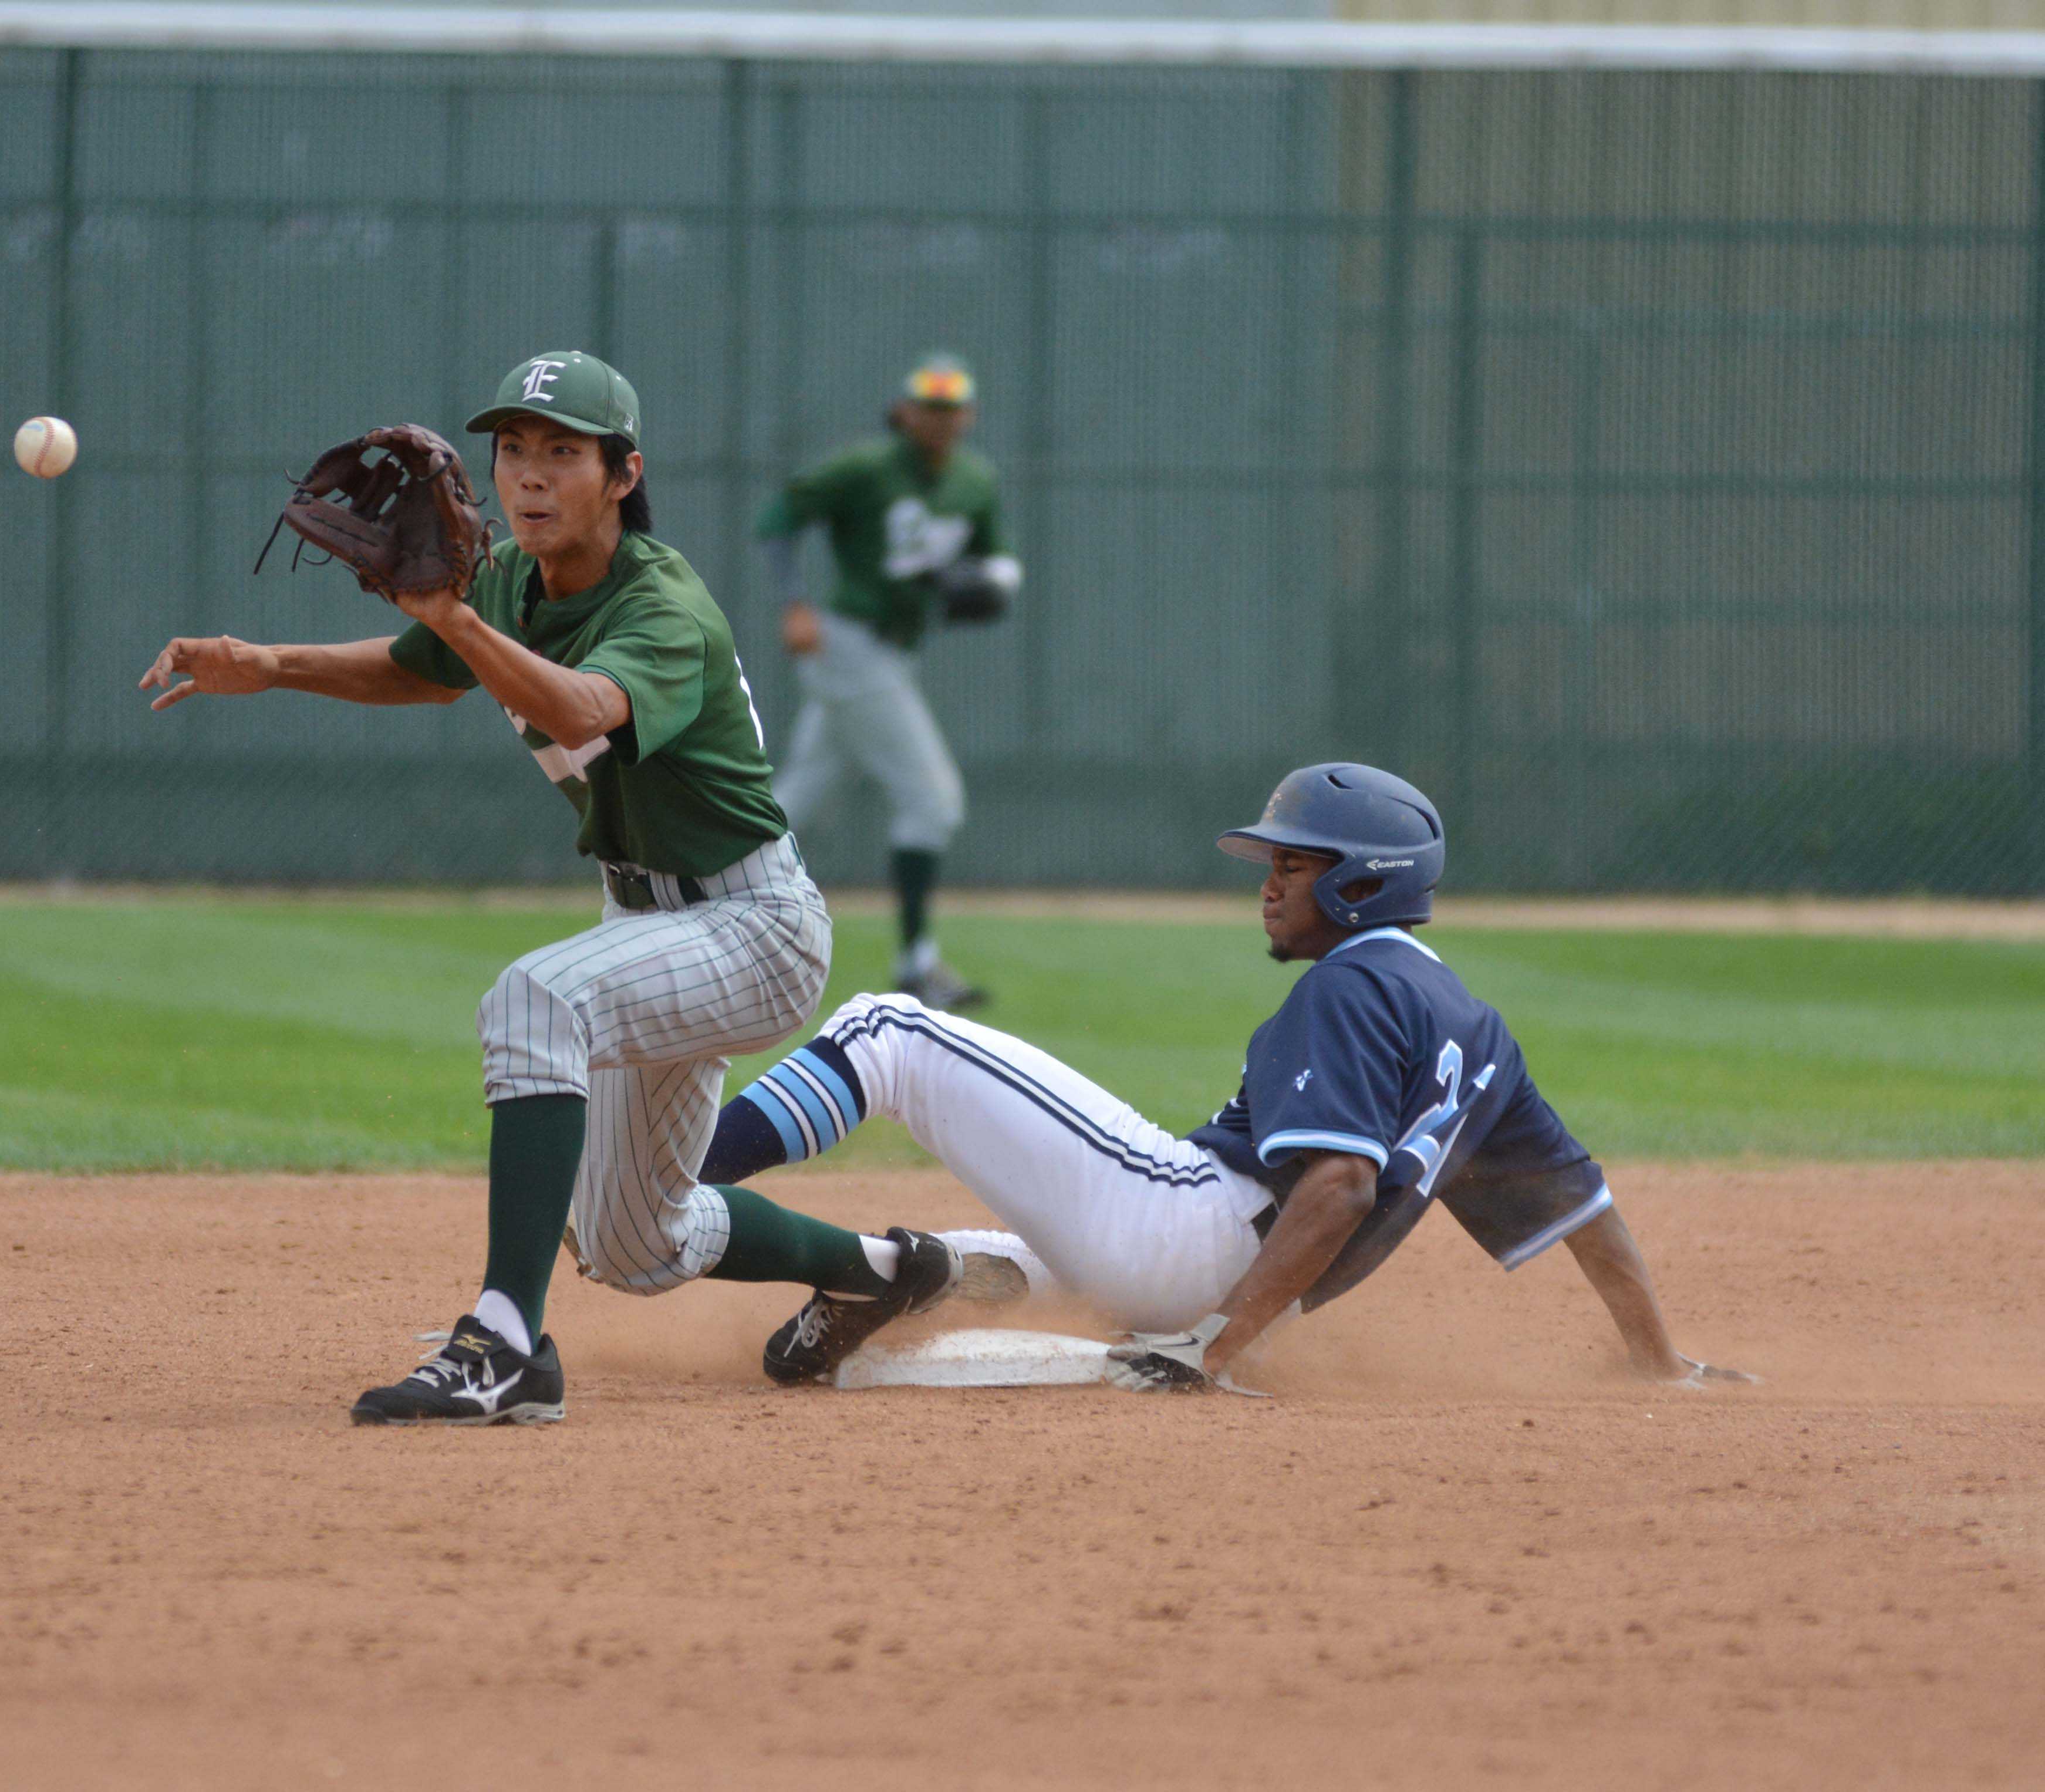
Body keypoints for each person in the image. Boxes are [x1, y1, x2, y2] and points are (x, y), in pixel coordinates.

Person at [139, 350, 965, 1426]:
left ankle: (504, 1343)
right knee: (634, 1243)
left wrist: (460, 623)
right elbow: (422, 669)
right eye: (513, 450)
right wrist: (268, 661)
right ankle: (880, 1269)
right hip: (649, 921)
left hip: (754, 924)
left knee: (537, 999)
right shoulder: (504, 582)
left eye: (562, 453)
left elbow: (578, 708)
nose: (528, 476)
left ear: (622, 475)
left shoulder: (664, 604)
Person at [700, 762, 1753, 1394]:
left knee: (887, 1026)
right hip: (1243, 1278)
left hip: (1196, 1245)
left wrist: (1211, 1344)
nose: (1269, 884)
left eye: (1292, 865)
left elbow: (1337, 1184)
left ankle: (666, 1184)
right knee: (1004, 1259)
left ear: (1357, 881)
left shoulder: (1348, 989)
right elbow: (1583, 1207)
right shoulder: (1475, 1033)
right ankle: (894, 1272)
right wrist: (1654, 1358)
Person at [757, 353, 1021, 1011]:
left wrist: (993, 580)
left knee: (795, 798)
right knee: (935, 802)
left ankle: (708, 908)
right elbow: (778, 518)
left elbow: (1000, 558)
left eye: (950, 407)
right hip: (852, 644)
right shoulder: (866, 468)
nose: (938, 420)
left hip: (895, 652)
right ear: (904, 412)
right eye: (927, 407)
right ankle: (916, 961)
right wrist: (794, 601)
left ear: (969, 414)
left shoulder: (974, 479)